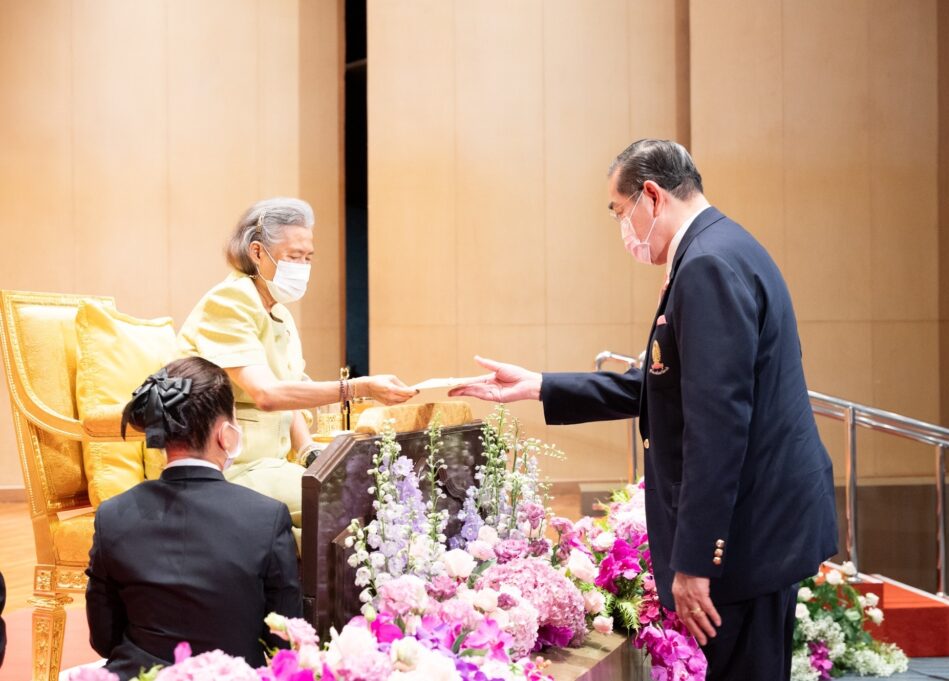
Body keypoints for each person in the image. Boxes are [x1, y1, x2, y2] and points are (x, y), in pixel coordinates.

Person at [452, 139, 838, 681]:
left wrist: (698, 561)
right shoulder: (724, 246)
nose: (622, 228)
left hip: (747, 533)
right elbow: (661, 385)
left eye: (618, 211)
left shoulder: (705, 265)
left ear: (650, 196)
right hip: (765, 520)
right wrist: (538, 386)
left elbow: (717, 425)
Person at [179, 198, 417, 524]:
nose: (302, 266)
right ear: (258, 252)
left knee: (382, 487)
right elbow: (267, 394)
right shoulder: (230, 301)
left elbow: (289, 394)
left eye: (307, 258)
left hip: (270, 463)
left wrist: (308, 451)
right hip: (230, 464)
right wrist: (356, 387)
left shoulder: (278, 312)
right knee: (350, 502)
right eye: (293, 257)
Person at [85, 357, 302, 679]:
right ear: (225, 433)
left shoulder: (112, 515)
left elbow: (104, 638)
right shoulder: (266, 517)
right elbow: (282, 638)